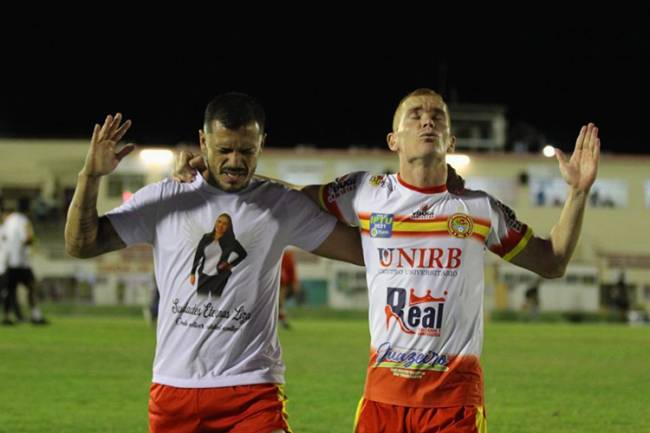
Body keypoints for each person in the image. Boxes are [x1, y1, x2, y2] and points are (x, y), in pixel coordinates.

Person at [173, 88, 599, 432]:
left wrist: (578, 193)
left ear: (451, 141)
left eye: (437, 115)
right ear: (393, 140)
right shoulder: (365, 192)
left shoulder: (478, 209)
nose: (427, 119)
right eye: (415, 114)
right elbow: (288, 200)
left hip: (453, 402)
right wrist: (212, 171)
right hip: (382, 399)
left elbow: (552, 261)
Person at [64, 92, 364, 433]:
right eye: (224, 150)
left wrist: (407, 203)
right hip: (173, 390)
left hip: (251, 390)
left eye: (246, 151)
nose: (235, 161)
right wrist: (90, 177)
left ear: (262, 143)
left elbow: (361, 250)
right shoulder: (167, 198)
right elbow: (81, 244)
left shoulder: (280, 206)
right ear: (203, 141)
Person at [3, 197, 47, 324]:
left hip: (10, 263)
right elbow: (28, 237)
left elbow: (5, 238)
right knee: (32, 288)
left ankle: (6, 317)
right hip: (22, 264)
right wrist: (28, 247)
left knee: (10, 291)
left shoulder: (8, 221)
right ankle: (36, 316)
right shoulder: (23, 220)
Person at [190, 213, 247, 297]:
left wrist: (230, 265)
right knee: (201, 298)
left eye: (224, 224)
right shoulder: (206, 237)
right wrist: (192, 273)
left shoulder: (231, 241)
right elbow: (198, 255)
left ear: (228, 226)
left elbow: (243, 254)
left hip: (220, 278)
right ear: (215, 222)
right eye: (219, 221)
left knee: (215, 301)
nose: (220, 225)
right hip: (203, 276)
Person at [278, 249, 300, 329]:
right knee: (279, 304)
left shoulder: (287, 256)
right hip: (278, 283)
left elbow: (291, 270)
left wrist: (294, 282)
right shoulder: (285, 255)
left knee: (279, 304)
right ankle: (282, 320)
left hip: (282, 283)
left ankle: (282, 320)